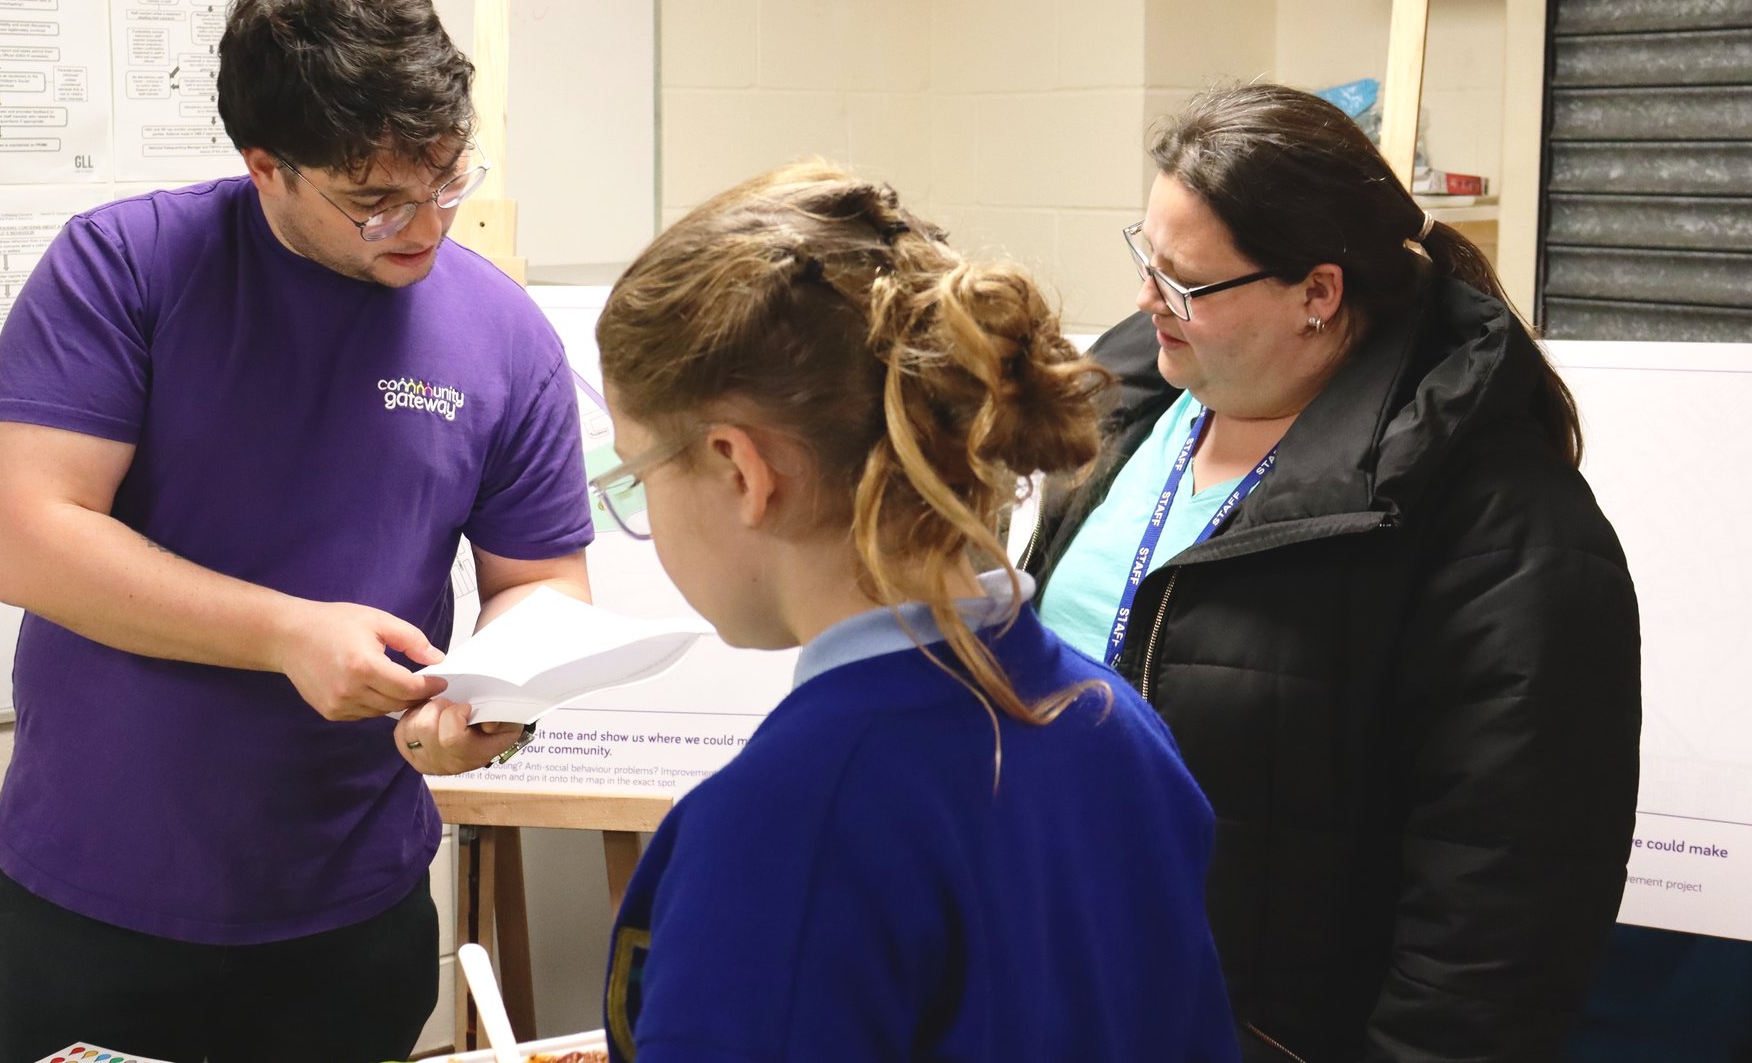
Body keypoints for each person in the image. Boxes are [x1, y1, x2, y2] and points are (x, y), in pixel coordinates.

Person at [0, 0, 594, 1063]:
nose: (423, 224)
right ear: (267, 167)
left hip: (349, 905)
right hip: (98, 898)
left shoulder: (503, 333)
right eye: (373, 201)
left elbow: (541, 581)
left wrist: (493, 705)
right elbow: (32, 539)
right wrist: (285, 634)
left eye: (447, 179)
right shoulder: (124, 269)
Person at [1025, 83, 1642, 1062]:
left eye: (1182, 282)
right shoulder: (1131, 405)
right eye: (1145, 257)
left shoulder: (1499, 526)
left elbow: (1500, 914)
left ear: (1316, 292)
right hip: (1060, 991)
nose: (1146, 300)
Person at [589, 165, 1239, 1062]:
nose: (643, 506)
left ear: (741, 470)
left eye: (638, 472)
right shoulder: (1115, 727)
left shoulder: (787, 826)